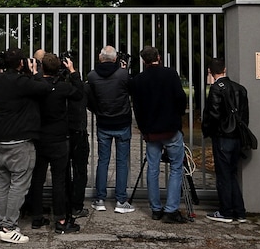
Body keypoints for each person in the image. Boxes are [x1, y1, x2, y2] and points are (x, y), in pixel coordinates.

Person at [0, 48, 52, 244]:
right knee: (19, 183)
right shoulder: (23, 82)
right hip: (19, 141)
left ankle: (1, 223)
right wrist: (35, 72)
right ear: (21, 63)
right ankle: (9, 226)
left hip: (0, 140)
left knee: (3, 183)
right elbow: (44, 88)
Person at [129, 46, 188, 224]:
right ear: (159, 57)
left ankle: (155, 208)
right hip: (170, 128)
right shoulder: (170, 74)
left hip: (151, 131)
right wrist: (177, 117)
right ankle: (171, 209)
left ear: (143, 61)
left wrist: (144, 129)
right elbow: (180, 98)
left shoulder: (138, 80)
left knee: (153, 169)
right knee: (177, 168)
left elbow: (137, 108)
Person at [26, 53, 84, 234]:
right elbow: (80, 93)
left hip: (40, 137)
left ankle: (36, 216)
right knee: (59, 180)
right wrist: (73, 71)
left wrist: (34, 73)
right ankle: (60, 218)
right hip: (59, 138)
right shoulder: (62, 87)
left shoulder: (37, 85)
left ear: (42, 67)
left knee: (38, 178)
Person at [86, 46, 134, 214]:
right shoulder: (123, 74)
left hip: (103, 123)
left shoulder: (92, 76)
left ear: (100, 58)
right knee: (121, 162)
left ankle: (100, 199)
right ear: (115, 59)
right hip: (122, 122)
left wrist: (98, 111)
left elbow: (89, 99)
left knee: (103, 161)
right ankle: (121, 200)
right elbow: (131, 91)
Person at [201, 58, 249, 223]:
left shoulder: (216, 89)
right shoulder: (240, 88)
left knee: (223, 175)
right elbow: (245, 116)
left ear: (210, 71)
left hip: (222, 137)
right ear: (225, 69)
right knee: (232, 174)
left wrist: (207, 130)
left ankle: (226, 211)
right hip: (237, 137)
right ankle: (239, 211)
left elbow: (213, 115)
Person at [68, 83, 90, 219]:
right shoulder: (83, 88)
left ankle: (65, 203)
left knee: (62, 172)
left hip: (63, 133)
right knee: (80, 170)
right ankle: (76, 205)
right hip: (79, 132)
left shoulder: (57, 87)